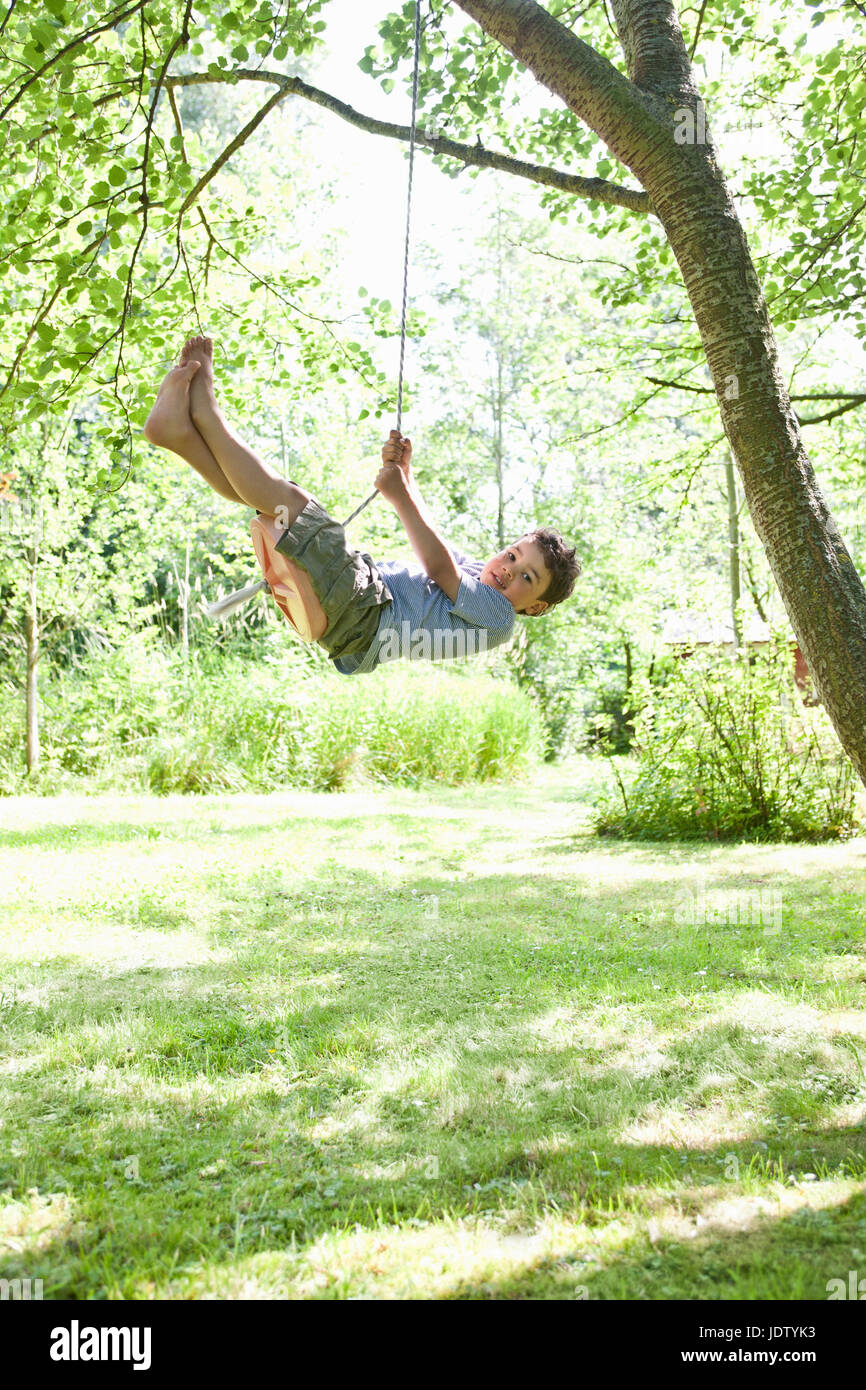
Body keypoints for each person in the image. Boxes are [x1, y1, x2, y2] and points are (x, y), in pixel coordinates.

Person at [144, 336, 580, 676]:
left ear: (536, 606)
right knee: (274, 506)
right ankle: (179, 437)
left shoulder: (501, 618)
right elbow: (439, 546)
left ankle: (206, 413)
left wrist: (399, 496)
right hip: (358, 616)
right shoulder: (476, 581)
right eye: (512, 554)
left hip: (366, 611)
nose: (508, 568)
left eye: (527, 576)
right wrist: (406, 478)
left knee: (295, 506)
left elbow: (438, 567)